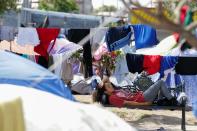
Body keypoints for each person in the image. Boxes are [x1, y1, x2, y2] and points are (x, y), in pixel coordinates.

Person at [93, 79, 177, 107]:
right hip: (143, 98)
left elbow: (107, 78)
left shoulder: (115, 91)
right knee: (160, 82)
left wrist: (103, 82)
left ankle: (165, 101)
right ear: (105, 92)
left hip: (142, 95)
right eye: (108, 87)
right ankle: (172, 101)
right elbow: (127, 103)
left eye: (110, 85)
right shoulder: (112, 98)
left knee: (160, 87)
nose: (111, 86)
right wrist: (145, 104)